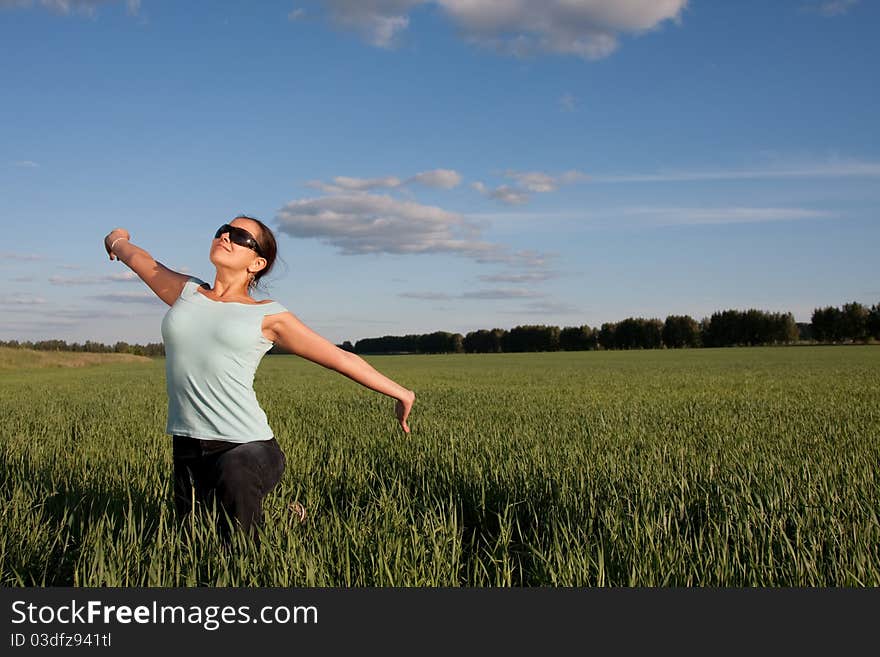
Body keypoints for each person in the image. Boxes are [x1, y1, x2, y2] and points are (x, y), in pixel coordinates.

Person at [103, 216, 416, 542]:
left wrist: (401, 393)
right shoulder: (186, 293)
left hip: (246, 447)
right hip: (188, 443)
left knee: (237, 543)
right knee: (193, 540)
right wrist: (117, 239)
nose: (226, 236)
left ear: (257, 262)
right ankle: (286, 517)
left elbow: (340, 358)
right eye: (222, 230)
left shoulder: (267, 315)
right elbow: (138, 259)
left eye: (239, 236)